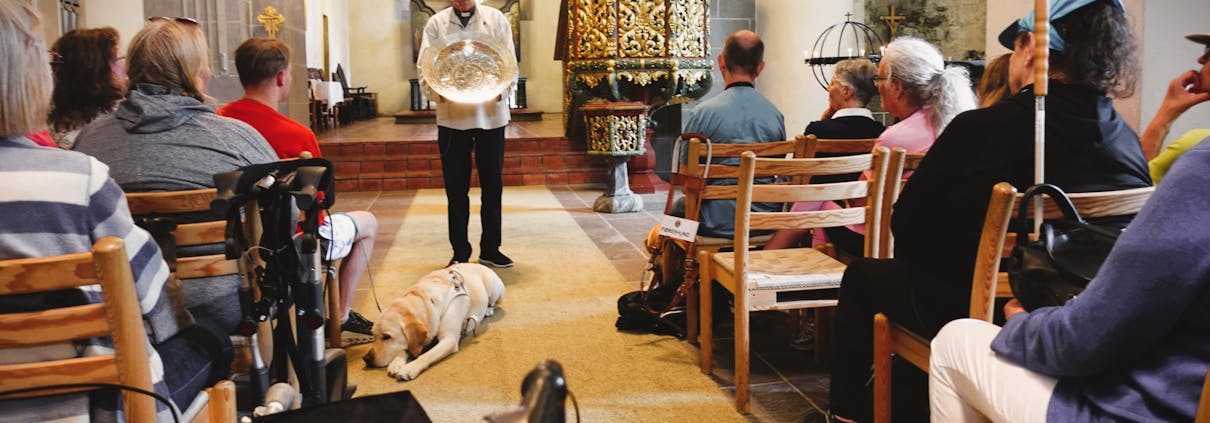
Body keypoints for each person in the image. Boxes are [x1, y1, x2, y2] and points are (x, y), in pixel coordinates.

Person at [825, 1, 1152, 421]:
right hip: (1082, 317)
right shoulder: (1125, 142)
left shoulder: (980, 128)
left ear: (1032, 48)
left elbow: (905, 225)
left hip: (978, 311)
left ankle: (848, 415)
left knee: (865, 276)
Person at [0, 3, 227, 420]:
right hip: (91, 405)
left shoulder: (89, 142)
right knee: (211, 338)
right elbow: (154, 304)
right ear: (27, 75)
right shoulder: (78, 180)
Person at [929, 119, 1210, 423]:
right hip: (1185, 390)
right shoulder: (1124, 136)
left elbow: (1088, 339)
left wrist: (1023, 326)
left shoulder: (1201, 169)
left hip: (1149, 409)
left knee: (954, 340)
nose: (1199, 67)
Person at [74, 17, 279, 337]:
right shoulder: (236, 139)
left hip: (121, 308)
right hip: (222, 305)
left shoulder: (89, 142)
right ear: (196, 74)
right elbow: (281, 214)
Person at [219, 37, 377, 346]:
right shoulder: (297, 134)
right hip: (289, 246)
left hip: (234, 242)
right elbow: (315, 205)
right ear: (281, 77)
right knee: (368, 224)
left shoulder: (218, 122)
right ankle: (341, 316)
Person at [766, 38, 974, 257]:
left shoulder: (894, 138)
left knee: (820, 199)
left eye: (880, 78)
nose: (877, 85)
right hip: (940, 237)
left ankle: (788, 266)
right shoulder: (955, 123)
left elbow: (859, 200)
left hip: (886, 239)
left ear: (898, 87)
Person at [418, 0, 516, 268]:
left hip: (491, 116)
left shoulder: (496, 20)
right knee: (456, 189)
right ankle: (460, 251)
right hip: (452, 118)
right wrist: (440, 92)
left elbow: (509, 64)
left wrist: (498, 91)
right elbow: (426, 67)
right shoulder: (436, 23)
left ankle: (490, 249)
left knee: (492, 187)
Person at [675, 29, 785, 239]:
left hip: (713, 221)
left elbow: (685, 181)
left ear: (721, 62)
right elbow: (776, 167)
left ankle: (674, 265)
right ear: (760, 68)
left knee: (675, 216)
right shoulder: (775, 115)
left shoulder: (702, 114)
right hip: (762, 220)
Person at [1140, 33, 1210, 183]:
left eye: (1208, 54)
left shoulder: (1198, 145)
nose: (1200, 59)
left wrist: (1167, 112)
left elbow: (1132, 188)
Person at [47, 27, 127, 149]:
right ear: (98, 70)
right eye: (119, 59)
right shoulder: (123, 119)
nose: (125, 65)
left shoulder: (44, 120)